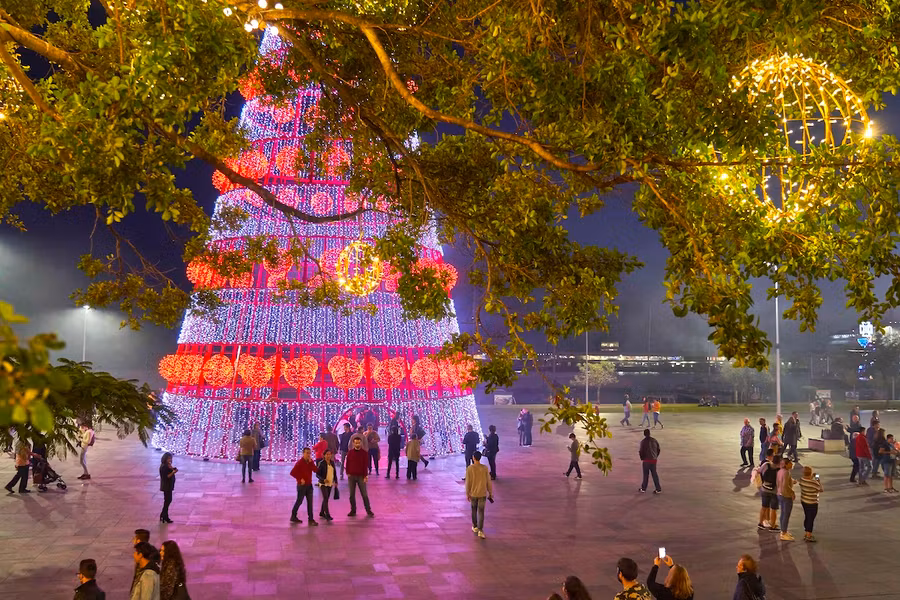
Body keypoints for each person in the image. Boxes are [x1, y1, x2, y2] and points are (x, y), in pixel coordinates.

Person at [465, 450, 493, 539]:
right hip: (482, 493)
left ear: (473, 458)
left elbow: (468, 482)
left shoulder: (470, 468)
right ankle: (481, 530)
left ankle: (475, 526)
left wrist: (467, 493)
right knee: (481, 512)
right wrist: (490, 492)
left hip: (473, 493)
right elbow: (488, 482)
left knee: (474, 510)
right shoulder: (485, 468)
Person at [345, 436, 375, 517]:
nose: (357, 444)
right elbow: (347, 463)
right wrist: (347, 472)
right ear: (353, 443)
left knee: (364, 494)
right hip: (351, 476)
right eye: (356, 443)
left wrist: (366, 476)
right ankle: (353, 510)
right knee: (351, 495)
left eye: (359, 443)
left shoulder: (364, 453)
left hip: (361, 476)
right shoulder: (350, 453)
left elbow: (365, 465)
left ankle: (368, 510)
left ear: (361, 443)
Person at [289, 447, 318, 525]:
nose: (308, 455)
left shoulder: (310, 462)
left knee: (310, 503)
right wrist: (300, 479)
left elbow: (315, 470)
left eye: (309, 453)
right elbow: (292, 472)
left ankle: (311, 519)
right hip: (301, 486)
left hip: (309, 485)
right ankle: (293, 516)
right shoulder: (300, 463)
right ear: (303, 453)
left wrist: (312, 463)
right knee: (299, 501)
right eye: (307, 453)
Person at [798, 466, 824, 542]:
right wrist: (817, 479)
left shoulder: (801, 480)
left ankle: (806, 531)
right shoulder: (814, 483)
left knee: (807, 516)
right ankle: (808, 535)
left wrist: (811, 476)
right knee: (811, 518)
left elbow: (806, 478)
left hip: (804, 501)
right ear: (811, 473)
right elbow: (821, 489)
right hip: (812, 503)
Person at [758, 453, 781, 531]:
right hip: (774, 491)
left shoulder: (766, 465)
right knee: (773, 509)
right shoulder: (780, 470)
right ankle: (772, 525)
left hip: (764, 488)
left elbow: (759, 471)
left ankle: (760, 523)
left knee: (764, 507)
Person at [776, 457, 796, 541]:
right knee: (786, 514)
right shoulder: (786, 472)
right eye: (790, 463)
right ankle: (784, 533)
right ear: (786, 464)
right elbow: (785, 485)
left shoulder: (780, 471)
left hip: (779, 494)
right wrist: (792, 492)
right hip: (786, 495)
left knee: (783, 513)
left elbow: (779, 483)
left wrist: (791, 481)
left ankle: (783, 530)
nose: (792, 465)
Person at [316, 449, 338, 521]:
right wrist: (323, 479)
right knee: (325, 498)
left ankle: (322, 512)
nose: (328, 456)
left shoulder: (332, 463)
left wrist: (336, 481)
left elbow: (334, 473)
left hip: (330, 483)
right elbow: (317, 474)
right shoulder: (321, 463)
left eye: (329, 454)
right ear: (324, 455)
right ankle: (327, 514)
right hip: (323, 483)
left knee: (326, 498)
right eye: (327, 454)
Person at [638, 429, 662, 494]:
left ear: (644, 434)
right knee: (654, 474)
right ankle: (658, 489)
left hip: (646, 460)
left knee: (646, 475)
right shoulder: (654, 440)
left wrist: (642, 458)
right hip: (654, 460)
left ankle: (643, 488)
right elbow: (658, 449)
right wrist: (655, 456)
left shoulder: (643, 442)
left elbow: (641, 451)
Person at [131, 530, 152, 595]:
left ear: (138, 541)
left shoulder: (145, 557)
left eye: (135, 538)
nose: (133, 540)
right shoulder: (144, 552)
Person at [158, 453, 176, 524]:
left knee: (167, 501)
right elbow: (166, 476)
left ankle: (164, 515)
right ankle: (164, 515)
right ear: (165, 458)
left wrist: (172, 469)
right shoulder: (163, 467)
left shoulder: (167, 466)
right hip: (166, 486)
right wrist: (173, 472)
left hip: (169, 486)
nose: (170, 460)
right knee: (168, 501)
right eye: (168, 458)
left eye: (170, 458)